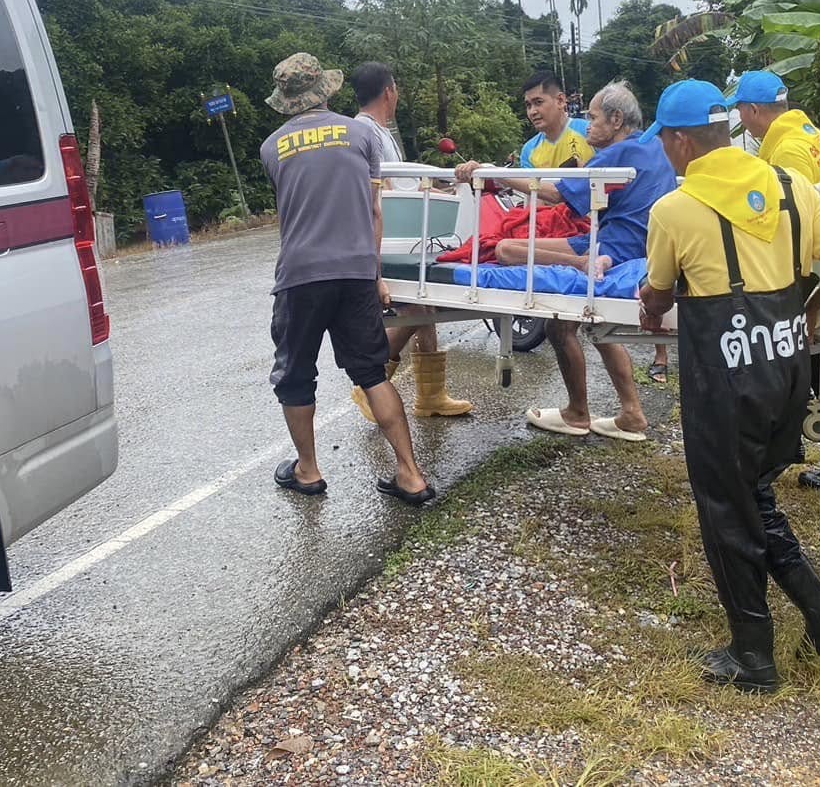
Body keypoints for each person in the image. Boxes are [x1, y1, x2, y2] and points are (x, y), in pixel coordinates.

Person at [638, 80, 820, 692]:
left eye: (663, 141)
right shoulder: (792, 188)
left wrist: (649, 300)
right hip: (788, 370)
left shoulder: (674, 210)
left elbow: (658, 295)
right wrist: (810, 309)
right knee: (754, 495)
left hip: (726, 380)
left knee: (725, 510)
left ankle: (754, 655)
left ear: (681, 141)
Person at [259, 53, 434, 506]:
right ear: (325, 90)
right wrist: (375, 275)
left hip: (300, 274)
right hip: (356, 271)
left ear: (285, 99)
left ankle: (308, 470)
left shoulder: (271, 147)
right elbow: (375, 211)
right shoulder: (361, 134)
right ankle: (410, 474)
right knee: (372, 373)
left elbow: (291, 210)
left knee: (295, 375)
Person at [464, 82, 676, 442]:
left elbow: (553, 193)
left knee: (507, 253)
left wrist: (487, 171)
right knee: (597, 328)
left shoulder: (616, 153)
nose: (588, 124)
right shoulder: (653, 146)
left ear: (616, 119)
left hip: (613, 248)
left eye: (593, 118)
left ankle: (578, 413)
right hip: (641, 246)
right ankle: (631, 414)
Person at [728, 70, 820, 495]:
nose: (742, 121)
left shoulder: (787, 149)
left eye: (741, 112)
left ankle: (810, 461)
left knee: (791, 364)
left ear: (754, 110)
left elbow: (787, 218)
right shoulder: (809, 133)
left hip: (810, 268)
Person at [347, 62, 473, 424]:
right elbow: (379, 190)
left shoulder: (380, 132)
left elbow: (404, 186)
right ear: (390, 91)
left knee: (425, 308)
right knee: (416, 311)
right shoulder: (365, 132)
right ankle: (369, 384)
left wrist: (444, 190)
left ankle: (431, 396)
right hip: (391, 241)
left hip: (407, 236)